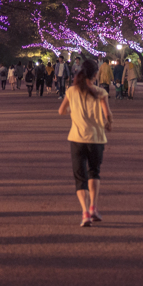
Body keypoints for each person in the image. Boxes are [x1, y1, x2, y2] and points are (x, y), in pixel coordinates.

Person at [58, 59, 112, 228]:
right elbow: (108, 114)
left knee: (80, 178)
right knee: (94, 172)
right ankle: (94, 207)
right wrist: (108, 123)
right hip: (96, 138)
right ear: (95, 75)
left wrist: (72, 110)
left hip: (77, 138)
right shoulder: (100, 92)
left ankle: (85, 213)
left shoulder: (71, 91)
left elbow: (61, 111)